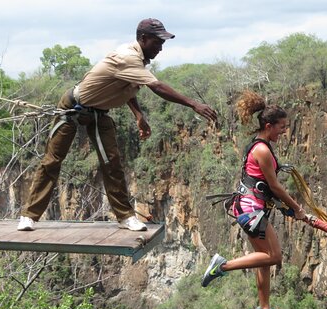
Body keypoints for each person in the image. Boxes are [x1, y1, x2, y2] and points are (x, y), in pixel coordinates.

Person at [17, 18, 217, 231]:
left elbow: (128, 86)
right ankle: (29, 216)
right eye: (157, 42)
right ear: (143, 38)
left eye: (162, 43)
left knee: (112, 163)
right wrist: (193, 104)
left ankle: (125, 217)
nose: (160, 48)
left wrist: (138, 115)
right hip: (73, 107)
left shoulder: (138, 61)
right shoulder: (128, 57)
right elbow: (157, 87)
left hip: (99, 113)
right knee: (52, 161)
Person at [201, 91, 306, 309]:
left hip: (251, 209)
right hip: (251, 210)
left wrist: (285, 206)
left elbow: (263, 185)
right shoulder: (262, 150)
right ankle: (221, 266)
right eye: (282, 127)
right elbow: (274, 186)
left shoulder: (261, 145)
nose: (284, 131)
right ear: (269, 125)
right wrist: (296, 208)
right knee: (275, 256)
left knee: (264, 261)